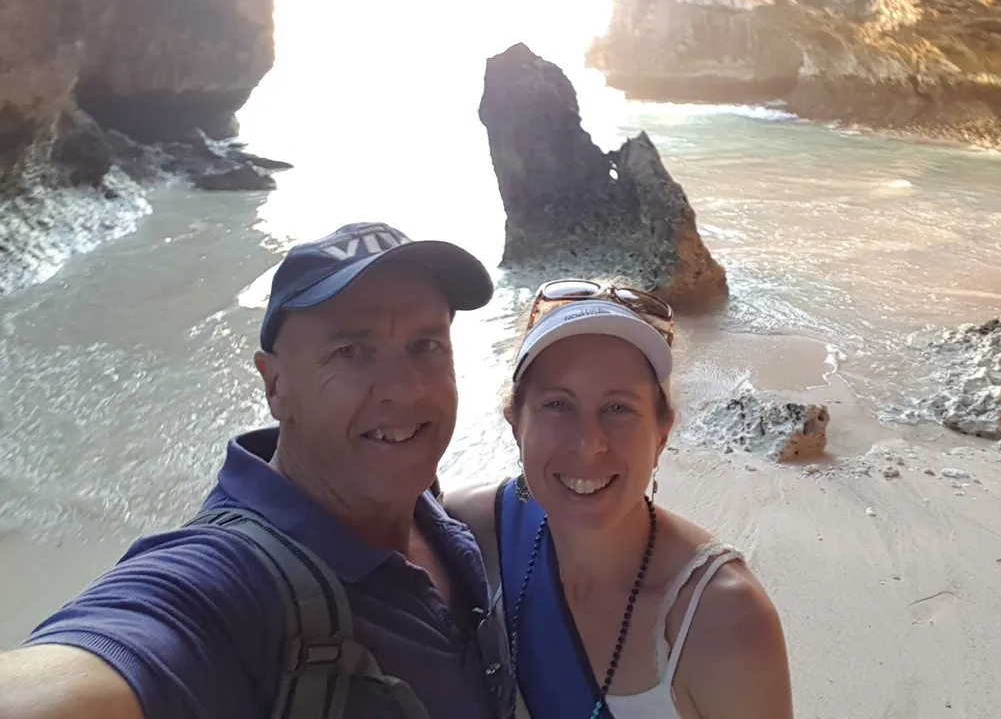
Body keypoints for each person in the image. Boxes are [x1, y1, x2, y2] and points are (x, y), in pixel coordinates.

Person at [0, 222, 513, 719]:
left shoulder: (431, 519)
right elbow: (101, 658)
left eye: (425, 346)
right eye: (351, 352)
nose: (405, 390)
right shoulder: (231, 584)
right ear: (275, 386)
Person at [447, 280, 794, 719]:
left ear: (661, 434)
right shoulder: (465, 534)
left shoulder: (721, 620)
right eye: (557, 404)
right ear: (516, 421)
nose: (589, 443)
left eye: (618, 408)